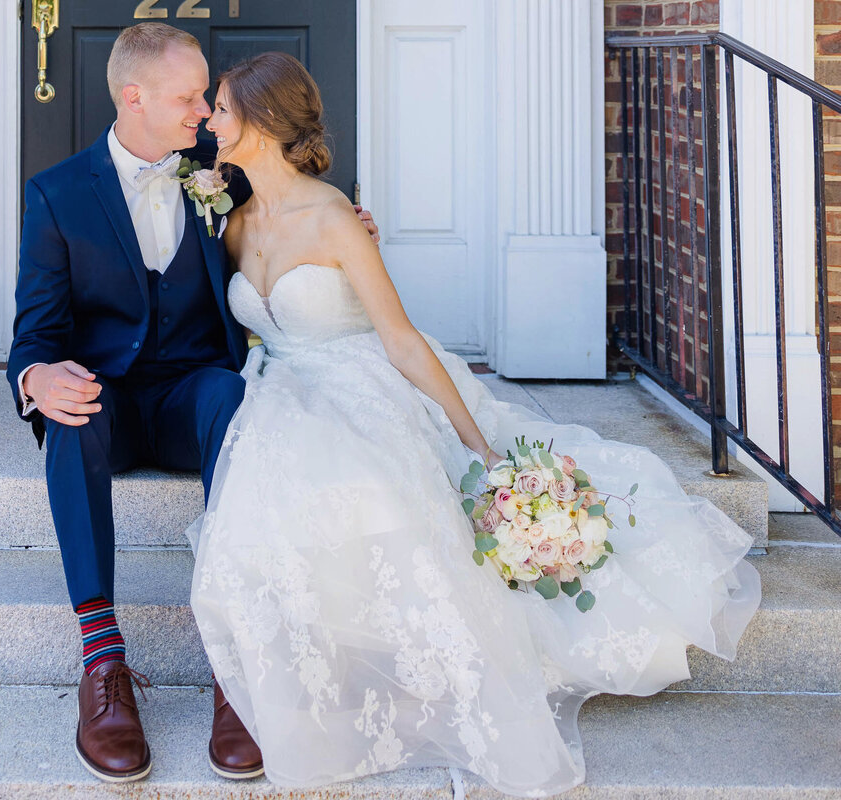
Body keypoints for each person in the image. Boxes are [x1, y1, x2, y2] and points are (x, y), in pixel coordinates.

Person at [188, 51, 761, 796]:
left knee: (372, 482)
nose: (208, 118)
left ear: (261, 123)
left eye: (223, 108)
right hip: (277, 385)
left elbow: (398, 337)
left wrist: (479, 444)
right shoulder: (227, 221)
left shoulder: (334, 218)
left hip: (360, 378)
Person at [7, 24, 378, 785]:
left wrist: (345, 241)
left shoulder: (223, 174)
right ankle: (103, 665)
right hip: (108, 400)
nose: (207, 111)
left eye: (208, 95)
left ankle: (235, 669)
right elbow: (34, 335)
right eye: (190, 97)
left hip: (190, 389)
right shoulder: (56, 195)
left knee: (234, 400)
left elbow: (293, 221)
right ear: (133, 98)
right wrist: (35, 380)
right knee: (67, 413)